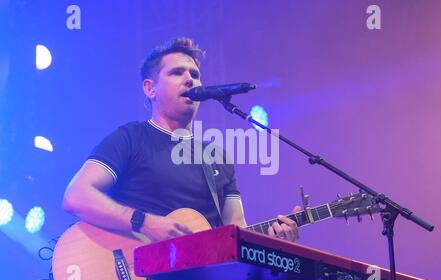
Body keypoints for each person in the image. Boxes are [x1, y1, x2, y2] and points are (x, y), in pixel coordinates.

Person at [62, 37, 299, 243]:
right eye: (177, 72)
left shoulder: (217, 158)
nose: (190, 80)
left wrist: (274, 240)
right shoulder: (130, 138)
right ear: (150, 89)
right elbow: (76, 196)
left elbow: (237, 232)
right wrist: (144, 222)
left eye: (195, 75)